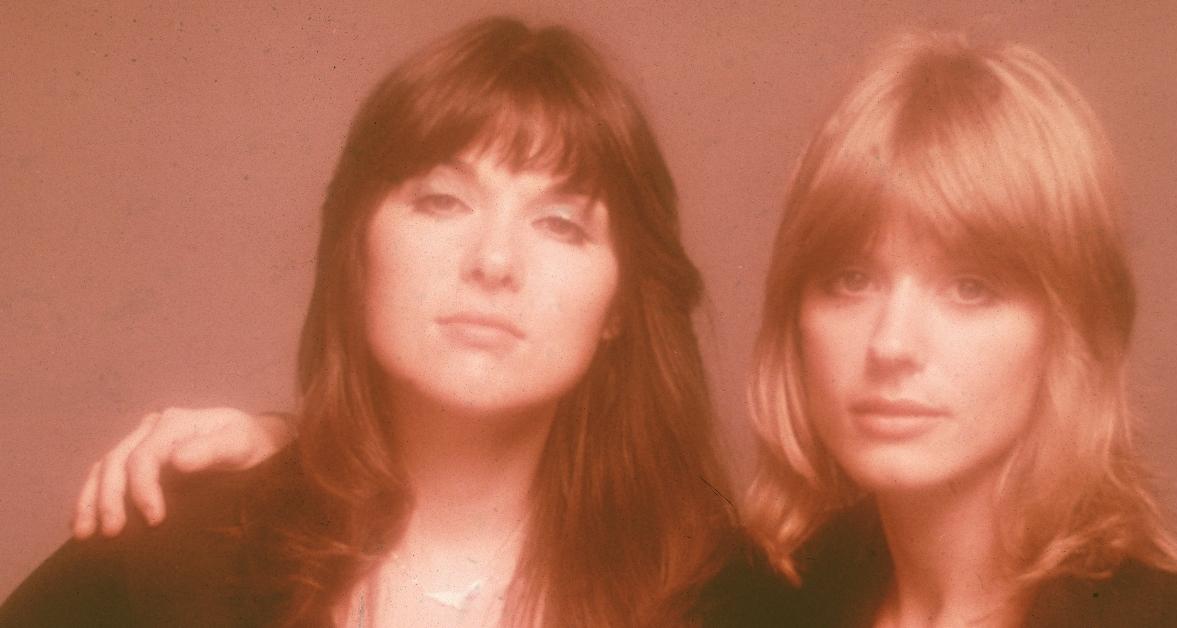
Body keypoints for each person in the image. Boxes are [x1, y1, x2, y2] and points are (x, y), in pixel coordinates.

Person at [1, 16, 734, 627]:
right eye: (443, 201)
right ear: (357, 251)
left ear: (618, 308)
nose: (495, 260)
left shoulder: (725, 594)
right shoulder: (172, 558)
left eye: (561, 225)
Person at [741, 31, 1177, 626]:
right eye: (850, 278)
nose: (891, 344)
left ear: (1071, 330)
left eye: (970, 288)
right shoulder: (741, 605)